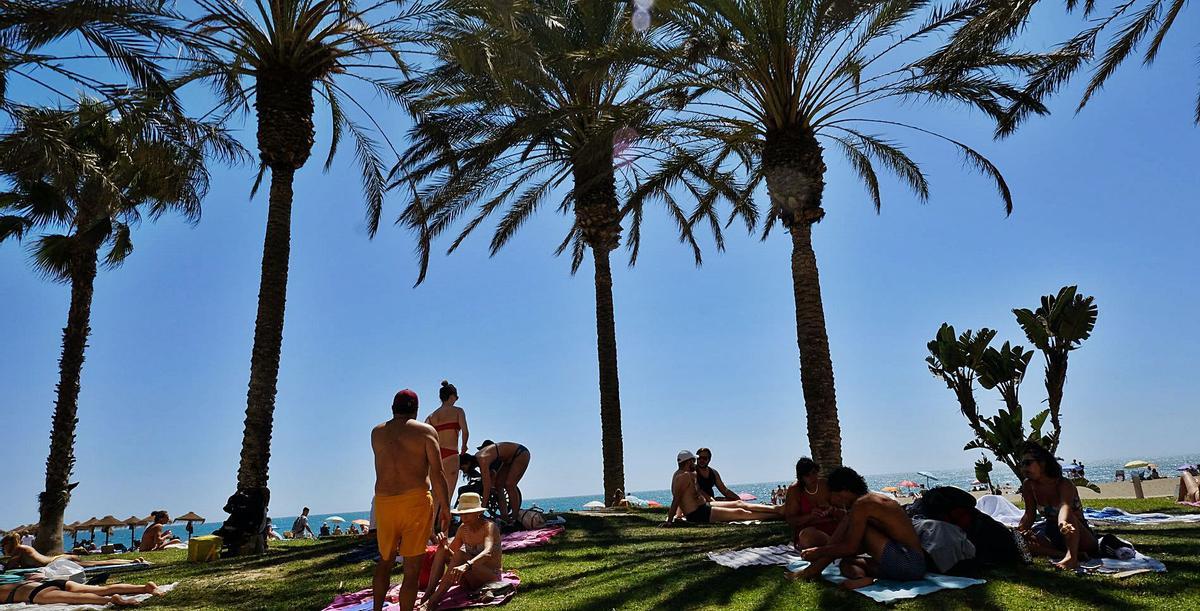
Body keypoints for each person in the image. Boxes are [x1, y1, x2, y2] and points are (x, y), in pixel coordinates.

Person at [371, 388, 451, 611]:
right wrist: (445, 506)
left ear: (392, 408)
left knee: (384, 561)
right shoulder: (426, 432)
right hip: (415, 501)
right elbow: (438, 472)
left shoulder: (376, 433)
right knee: (412, 568)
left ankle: (377, 609)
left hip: (385, 502)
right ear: (416, 410)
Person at [792, 466, 926, 588]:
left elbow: (850, 547)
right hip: (912, 567)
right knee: (846, 562)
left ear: (843, 491)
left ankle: (812, 571)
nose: (832, 499)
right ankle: (861, 578)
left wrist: (819, 551)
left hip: (909, 562)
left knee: (849, 528)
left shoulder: (863, 504)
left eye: (832, 494)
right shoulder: (865, 502)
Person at [1017, 441, 1098, 571]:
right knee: (1024, 542)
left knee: (1069, 516)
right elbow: (1029, 514)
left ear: (1042, 463)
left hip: (1077, 532)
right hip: (1052, 534)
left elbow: (1065, 507)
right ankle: (1071, 556)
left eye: (1027, 463)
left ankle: (1072, 556)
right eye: (1021, 464)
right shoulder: (1028, 485)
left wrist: (1063, 523)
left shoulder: (1064, 484)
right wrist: (1020, 532)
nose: (1023, 468)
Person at [419, 493, 503, 610]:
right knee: (442, 550)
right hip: (469, 578)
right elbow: (450, 553)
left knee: (460, 555)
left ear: (478, 513)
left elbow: (487, 552)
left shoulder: (489, 527)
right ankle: (429, 592)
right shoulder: (463, 529)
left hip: (489, 576)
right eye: (462, 514)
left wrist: (466, 565)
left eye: (468, 514)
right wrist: (443, 544)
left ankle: (433, 601)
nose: (464, 518)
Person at [663, 451, 781, 526]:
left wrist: (678, 515)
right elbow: (677, 499)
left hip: (704, 506)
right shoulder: (682, 477)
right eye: (694, 460)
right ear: (688, 462)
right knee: (740, 512)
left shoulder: (688, 474)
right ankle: (779, 515)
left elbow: (683, 497)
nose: (696, 462)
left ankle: (778, 509)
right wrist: (669, 520)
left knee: (739, 503)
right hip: (698, 514)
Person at [425, 380, 470, 515]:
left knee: (436, 495)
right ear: (452, 396)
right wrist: (464, 446)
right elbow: (466, 431)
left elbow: (425, 436)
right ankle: (444, 532)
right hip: (451, 454)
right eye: (456, 396)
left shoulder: (432, 416)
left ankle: (431, 530)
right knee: (448, 495)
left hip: (436, 456)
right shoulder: (458, 411)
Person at [460, 441, 531, 524]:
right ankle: (505, 518)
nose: (463, 471)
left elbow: (487, 487)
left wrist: (481, 511)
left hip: (520, 453)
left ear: (468, 462)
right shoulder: (479, 460)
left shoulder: (482, 459)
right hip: (507, 460)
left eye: (462, 468)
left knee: (509, 485)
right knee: (499, 486)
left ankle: (515, 518)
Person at [782, 457, 842, 549]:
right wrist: (810, 516)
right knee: (806, 537)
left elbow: (842, 510)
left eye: (814, 472)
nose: (812, 477)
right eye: (807, 475)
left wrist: (831, 510)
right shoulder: (795, 490)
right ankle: (836, 546)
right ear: (801, 477)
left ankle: (833, 546)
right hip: (810, 530)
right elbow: (791, 519)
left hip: (832, 525)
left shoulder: (825, 484)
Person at [1, 534, 144, 569]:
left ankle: (132, 561)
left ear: (9, 543)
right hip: (58, 560)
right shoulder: (22, 549)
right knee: (97, 562)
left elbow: (9, 568)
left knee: (96, 564)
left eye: (3, 545)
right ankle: (131, 561)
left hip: (58, 562)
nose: (2, 549)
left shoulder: (19, 549)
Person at [0, 578, 165, 607]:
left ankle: (111, 600)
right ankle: (145, 587)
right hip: (53, 582)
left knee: (76, 599)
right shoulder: (7, 583)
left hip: (36, 594)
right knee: (103, 589)